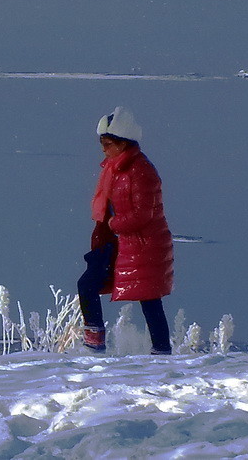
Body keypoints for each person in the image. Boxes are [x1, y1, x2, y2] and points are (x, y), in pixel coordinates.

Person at [78, 106, 175, 355]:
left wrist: (113, 223)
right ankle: (94, 340)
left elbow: (144, 214)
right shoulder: (115, 168)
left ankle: (162, 350)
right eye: (102, 143)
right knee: (88, 284)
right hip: (119, 241)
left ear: (123, 143)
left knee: (149, 298)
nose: (103, 149)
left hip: (142, 243)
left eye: (108, 143)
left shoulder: (140, 171)